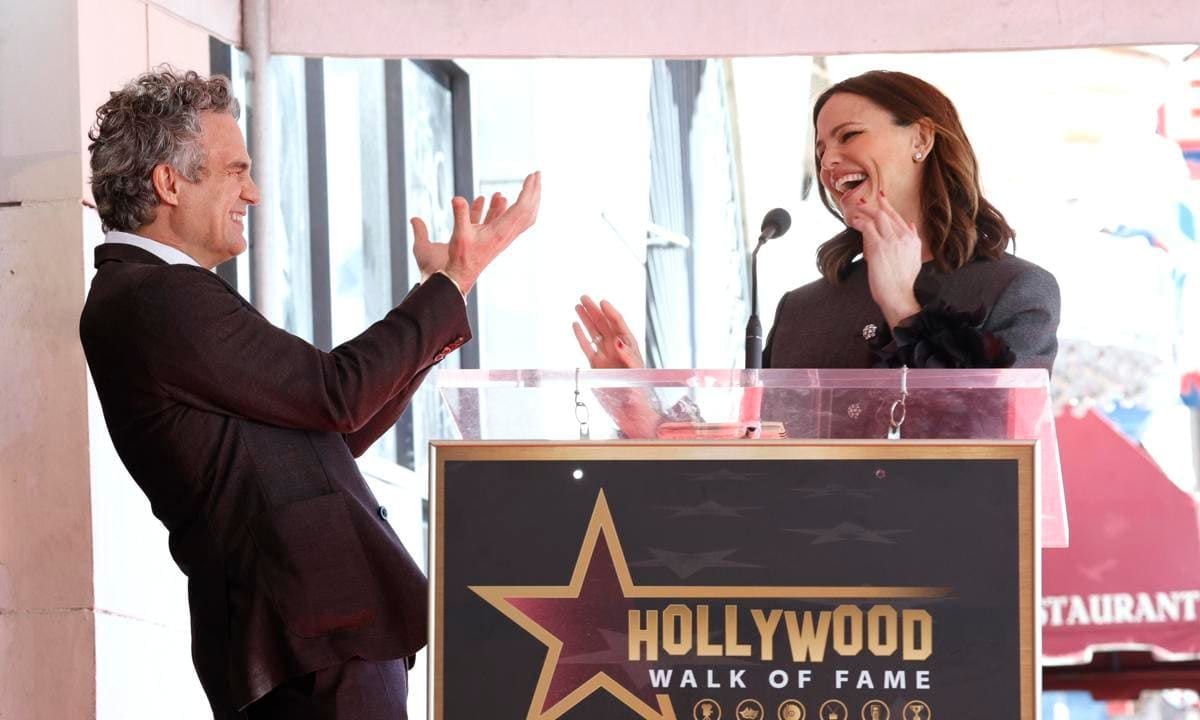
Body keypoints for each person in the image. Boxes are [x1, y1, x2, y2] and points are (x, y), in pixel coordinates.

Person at [79, 69, 540, 720]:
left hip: (317, 643)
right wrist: (450, 284)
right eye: (235, 171)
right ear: (169, 183)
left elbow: (330, 430)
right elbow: (335, 394)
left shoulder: (151, 297)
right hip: (312, 644)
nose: (255, 192)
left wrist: (442, 293)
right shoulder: (157, 297)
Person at [575, 70, 1059, 374]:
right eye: (822, 148)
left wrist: (902, 306)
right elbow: (756, 444)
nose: (829, 163)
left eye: (849, 135)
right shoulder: (801, 308)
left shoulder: (1016, 291)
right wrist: (638, 398)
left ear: (922, 139)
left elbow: (989, 438)